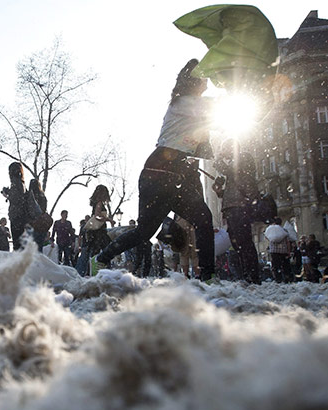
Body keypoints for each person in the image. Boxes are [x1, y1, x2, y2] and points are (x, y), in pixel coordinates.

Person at [92, 59, 215, 280]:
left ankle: (208, 275)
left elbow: (204, 150)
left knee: (203, 218)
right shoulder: (183, 103)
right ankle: (101, 258)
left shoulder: (195, 109)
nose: (207, 83)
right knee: (144, 232)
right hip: (157, 174)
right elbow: (216, 107)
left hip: (174, 176)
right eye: (204, 78)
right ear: (194, 81)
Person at [212, 141, 261, 284]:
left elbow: (232, 172)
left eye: (224, 149)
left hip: (240, 207)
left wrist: (218, 159)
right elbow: (226, 193)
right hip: (231, 208)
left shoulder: (243, 157)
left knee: (244, 241)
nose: (223, 152)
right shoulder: (233, 165)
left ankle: (253, 276)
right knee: (238, 243)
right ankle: (246, 274)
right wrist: (218, 188)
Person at [2, 162, 29, 251]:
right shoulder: (22, 183)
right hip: (22, 216)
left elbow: (16, 199)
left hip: (17, 216)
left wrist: (7, 194)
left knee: (17, 243)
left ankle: (19, 263)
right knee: (21, 243)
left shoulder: (16, 182)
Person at [264, 217, 291, 283]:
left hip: (274, 250)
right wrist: (289, 251)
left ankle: (278, 279)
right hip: (283, 251)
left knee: (276, 265)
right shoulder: (284, 230)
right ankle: (287, 278)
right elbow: (288, 242)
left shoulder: (270, 230)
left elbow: (267, 237)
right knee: (285, 265)